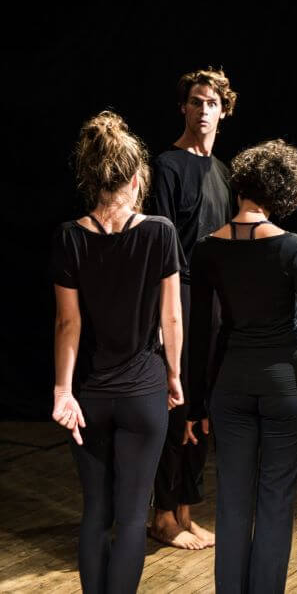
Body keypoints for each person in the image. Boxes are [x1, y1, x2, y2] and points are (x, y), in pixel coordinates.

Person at [185, 139, 297, 593]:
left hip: (230, 386)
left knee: (233, 500)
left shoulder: (206, 249)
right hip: (286, 388)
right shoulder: (294, 247)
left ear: (239, 185)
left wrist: (195, 406)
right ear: (283, 191)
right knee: (276, 498)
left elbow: (201, 333)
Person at [50, 110, 185, 593]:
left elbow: (68, 323)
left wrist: (62, 390)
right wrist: (174, 376)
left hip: (90, 397)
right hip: (144, 392)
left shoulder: (70, 236)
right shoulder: (160, 232)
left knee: (95, 515)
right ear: (135, 178)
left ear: (92, 177)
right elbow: (172, 318)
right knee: (130, 519)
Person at [148, 67, 237, 549]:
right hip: (176, 294)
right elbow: (159, 246)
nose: (203, 110)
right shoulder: (167, 166)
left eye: (212, 103)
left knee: (204, 406)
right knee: (175, 402)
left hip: (214, 300)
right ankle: (162, 514)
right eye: (196, 102)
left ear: (224, 112)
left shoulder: (223, 173)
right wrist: (163, 317)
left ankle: (185, 511)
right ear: (183, 107)